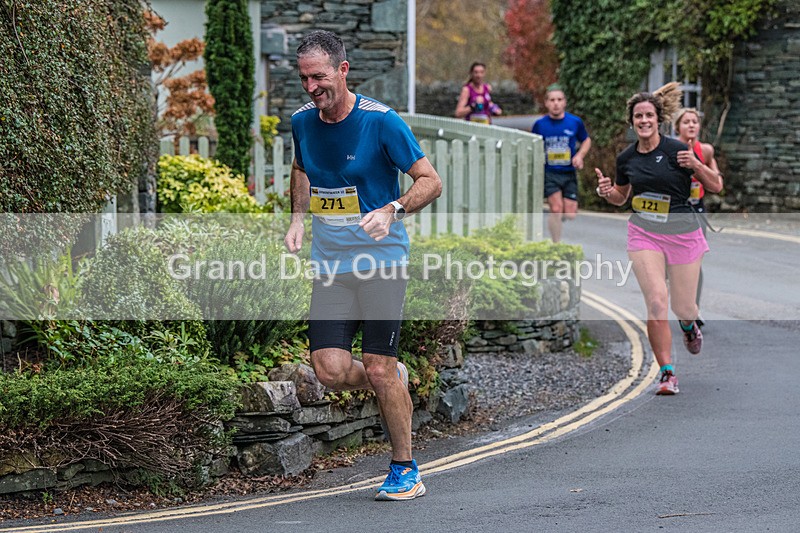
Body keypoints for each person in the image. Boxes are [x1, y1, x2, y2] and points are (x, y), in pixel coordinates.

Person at [284, 30, 442, 501]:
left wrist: (393, 209)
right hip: (330, 263)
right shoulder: (301, 122)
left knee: (377, 367)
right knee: (329, 369)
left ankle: (405, 468)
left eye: (319, 77)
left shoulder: (382, 121)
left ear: (343, 69)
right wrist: (296, 219)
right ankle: (394, 377)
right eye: (304, 79)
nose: (311, 87)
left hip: (382, 261)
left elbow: (430, 181)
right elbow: (300, 169)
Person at [594, 82, 723, 395]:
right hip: (644, 234)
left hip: (683, 234)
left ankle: (688, 325)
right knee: (655, 301)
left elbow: (716, 185)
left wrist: (696, 165)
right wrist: (608, 193)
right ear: (632, 121)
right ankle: (667, 372)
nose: (643, 121)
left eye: (649, 115)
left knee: (684, 307)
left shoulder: (678, 151)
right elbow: (622, 197)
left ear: (658, 119)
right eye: (638, 116)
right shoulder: (626, 159)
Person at [673, 108, 723, 328]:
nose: (691, 125)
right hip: (674, 211)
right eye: (686, 122)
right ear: (677, 127)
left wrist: (701, 168)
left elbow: (717, 181)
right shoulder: (670, 148)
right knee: (674, 262)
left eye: (695, 122)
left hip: (697, 210)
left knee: (695, 261)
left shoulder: (706, 150)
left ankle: (693, 309)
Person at [531, 84, 591, 243]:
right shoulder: (540, 125)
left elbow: (586, 140)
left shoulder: (574, 122)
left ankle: (560, 216)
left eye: (559, 100)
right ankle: (556, 243)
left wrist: (580, 156)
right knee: (556, 209)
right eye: (552, 100)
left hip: (569, 172)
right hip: (550, 172)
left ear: (564, 102)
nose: (556, 103)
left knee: (570, 214)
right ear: (546, 103)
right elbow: (533, 145)